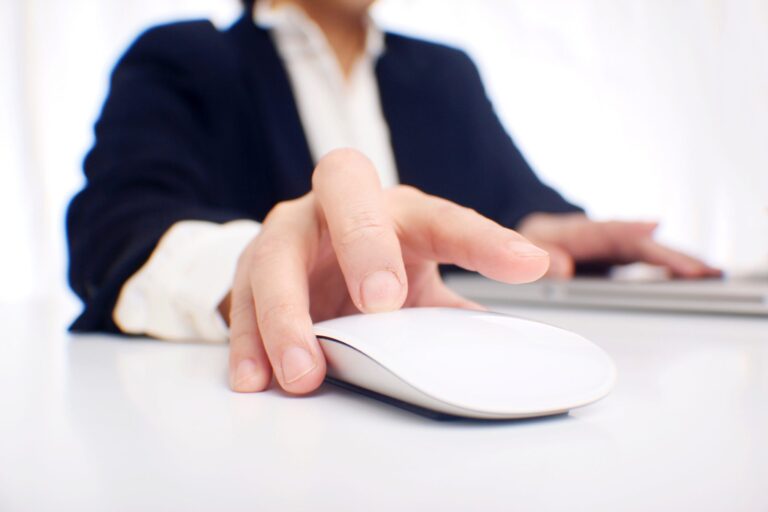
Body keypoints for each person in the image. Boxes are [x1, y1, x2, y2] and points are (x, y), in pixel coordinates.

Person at [67, 0, 719, 396]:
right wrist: (258, 268)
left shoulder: (443, 73)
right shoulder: (185, 58)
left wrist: (545, 224)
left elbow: (506, 194)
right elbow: (115, 228)